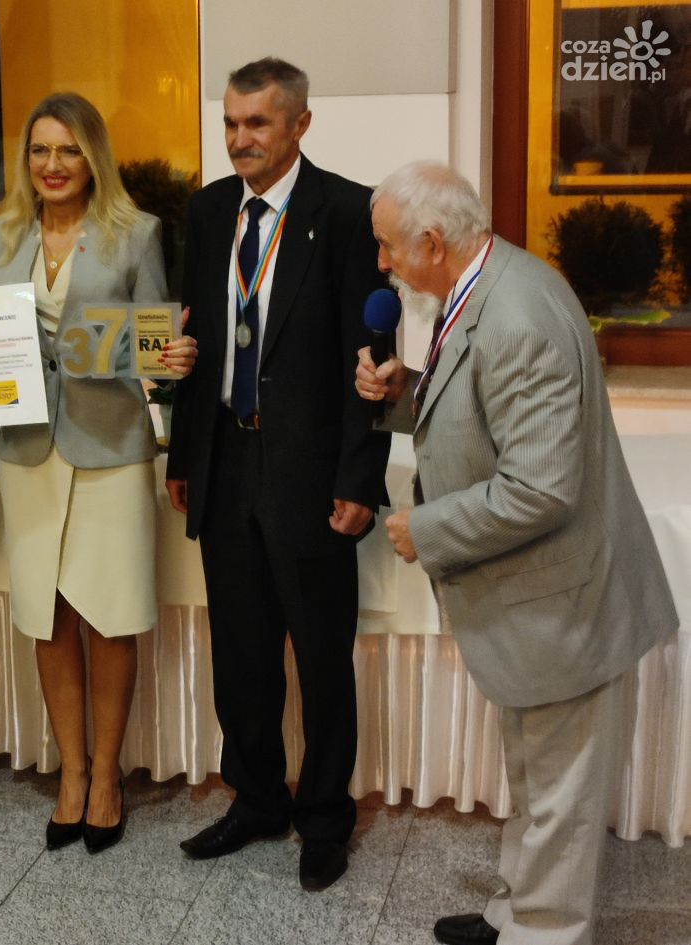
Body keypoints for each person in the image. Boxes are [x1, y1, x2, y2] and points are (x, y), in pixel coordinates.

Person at [355, 161, 678, 945]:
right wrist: (406, 392)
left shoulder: (519, 315)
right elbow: (484, 406)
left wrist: (426, 529)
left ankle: (545, 930)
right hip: (534, 603)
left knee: (560, 793)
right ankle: (518, 912)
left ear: (433, 242)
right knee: (535, 776)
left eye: (389, 246)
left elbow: (539, 490)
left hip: (563, 603)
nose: (383, 264)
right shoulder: (486, 283)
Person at [0, 92, 196, 852]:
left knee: (109, 616)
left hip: (111, 449)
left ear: (93, 158)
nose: (53, 165)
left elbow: (156, 350)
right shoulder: (2, 234)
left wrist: (172, 361)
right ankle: (71, 773)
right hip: (28, 450)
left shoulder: (136, 233)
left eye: (69, 150)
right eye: (40, 150)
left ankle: (108, 776)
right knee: (47, 617)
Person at [164, 57, 389, 890]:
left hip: (311, 471)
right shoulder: (208, 210)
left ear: (300, 124)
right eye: (230, 123)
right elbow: (191, 340)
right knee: (242, 652)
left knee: (321, 656)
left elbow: (371, 359)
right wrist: (185, 456)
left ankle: (324, 816)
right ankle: (256, 799)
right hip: (224, 459)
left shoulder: (350, 212)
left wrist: (360, 479)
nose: (239, 139)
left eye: (257, 123)